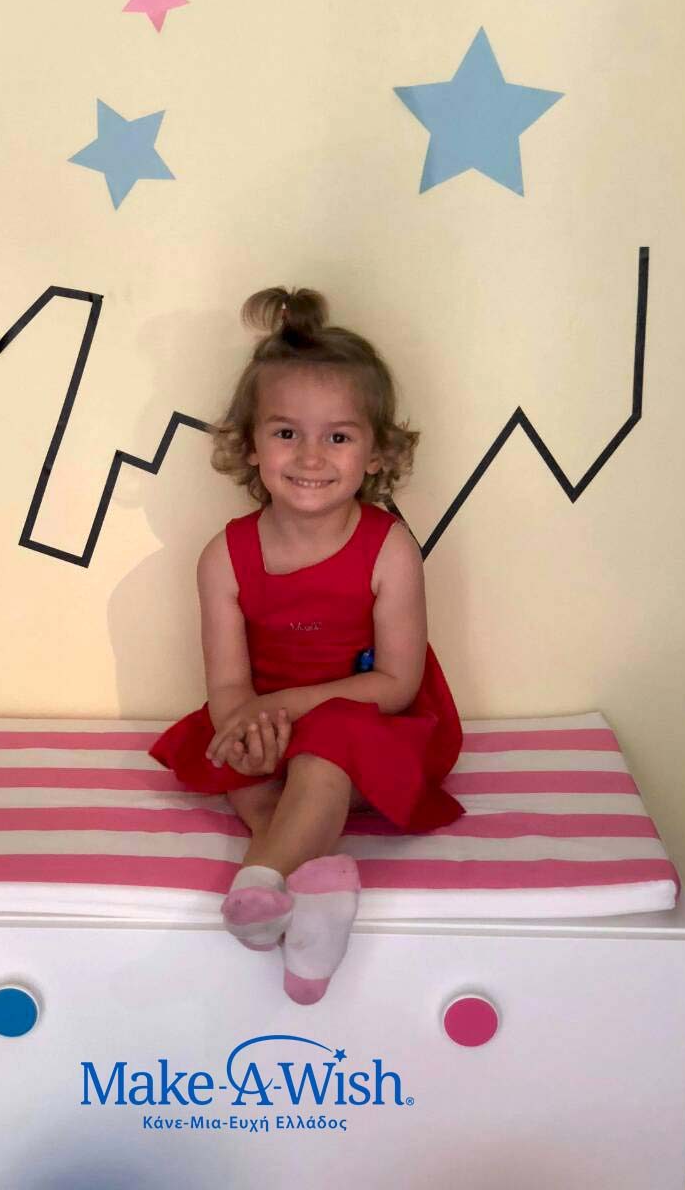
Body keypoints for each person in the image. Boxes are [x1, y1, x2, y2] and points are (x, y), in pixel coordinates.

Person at [148, 286, 465, 1004]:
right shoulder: (223, 557)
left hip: (372, 726)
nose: (311, 456)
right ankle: (314, 899)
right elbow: (228, 688)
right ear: (250, 444)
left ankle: (256, 883)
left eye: (339, 437)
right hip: (271, 723)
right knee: (230, 758)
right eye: (287, 432)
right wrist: (246, 729)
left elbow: (396, 682)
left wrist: (284, 708)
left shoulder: (389, 549)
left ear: (377, 453)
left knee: (324, 749)